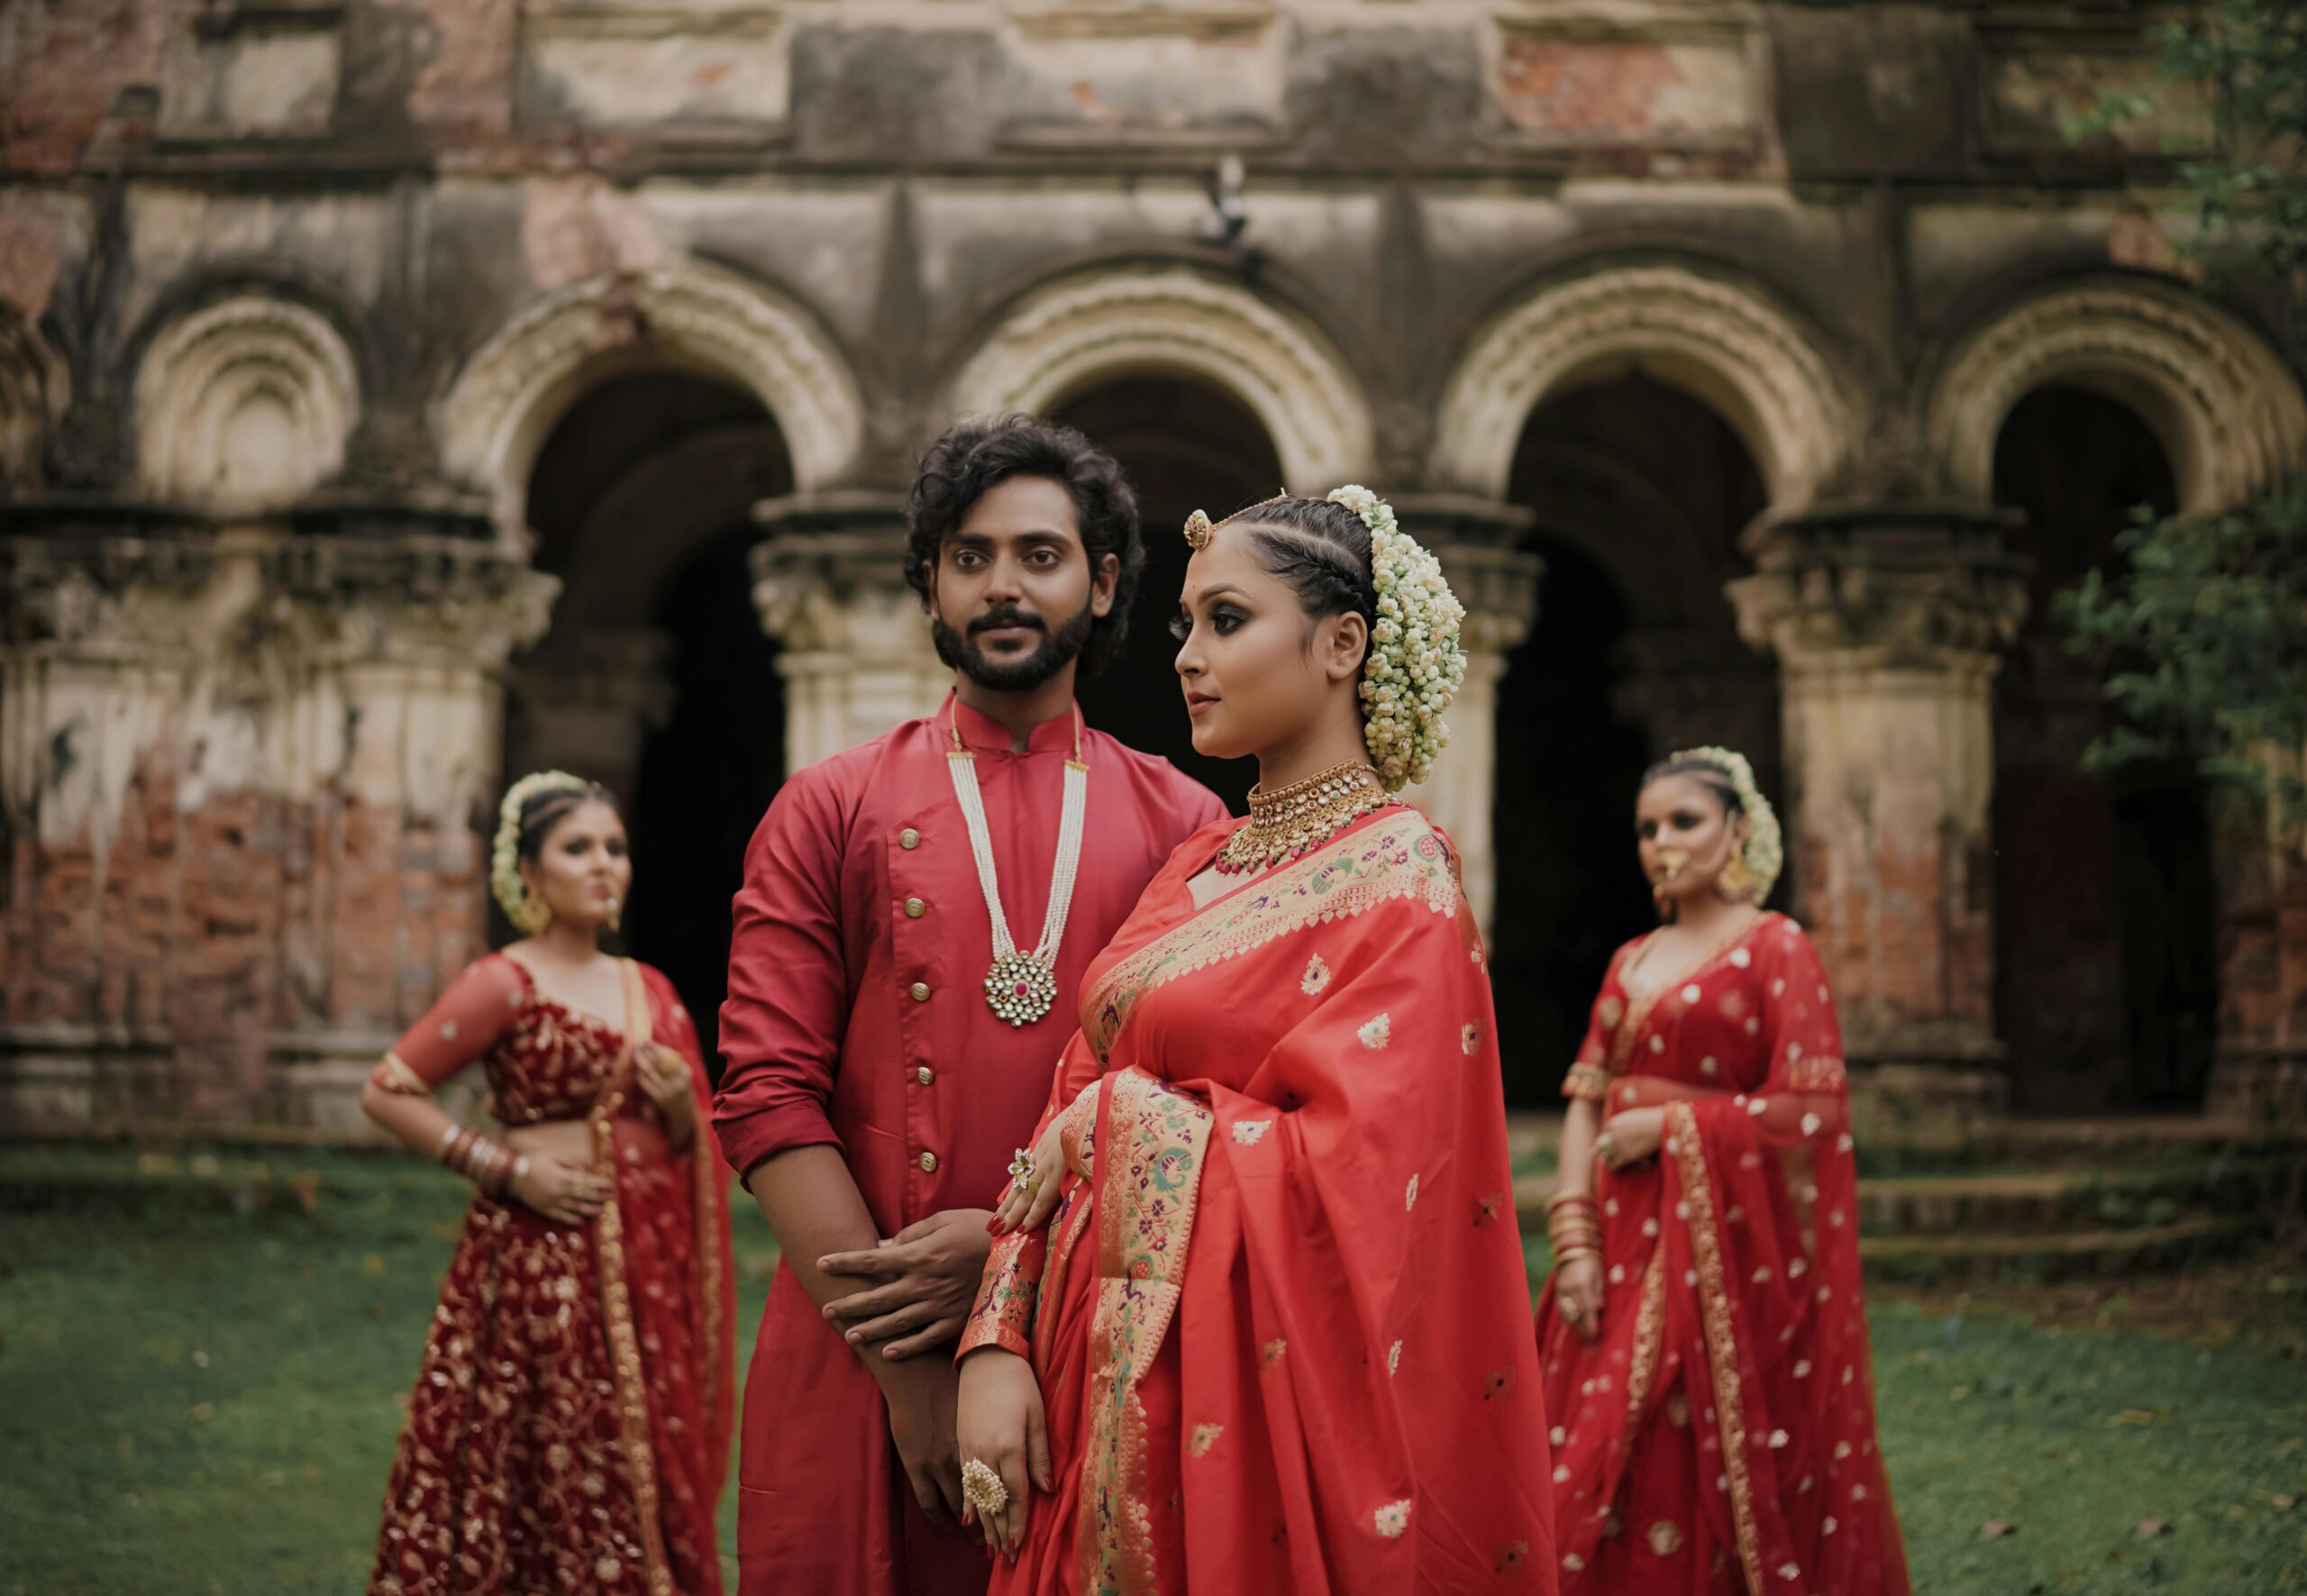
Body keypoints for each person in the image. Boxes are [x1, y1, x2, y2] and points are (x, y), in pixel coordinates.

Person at [954, 488, 1557, 1593]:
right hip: (1088, 1365)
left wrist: (1111, 1124)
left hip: (1247, 1406)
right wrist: (995, 1341)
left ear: (1340, 644)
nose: (1188, 655)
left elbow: (1363, 1189)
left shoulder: (1400, 879)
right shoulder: (1197, 866)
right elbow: (1063, 1107)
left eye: (1225, 620)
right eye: (1185, 624)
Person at [713, 417, 1229, 1596]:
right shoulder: (827, 805)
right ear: (930, 584)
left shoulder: (1189, 828)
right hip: (861, 1345)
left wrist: (1014, 1261)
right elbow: (765, 1094)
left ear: (1103, 584)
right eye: (970, 555)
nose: (1002, 583)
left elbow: (1209, 1110)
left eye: (1040, 554)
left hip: (1097, 1330)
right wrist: (910, 1375)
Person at [1535, 749, 1910, 1595]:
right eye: (1647, 827)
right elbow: (1585, 1105)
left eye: (1685, 821)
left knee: (1695, 1444)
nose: (1663, 842)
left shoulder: (1777, 948)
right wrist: (1575, 1239)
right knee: (1590, 1443)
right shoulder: (1631, 958)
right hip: (1620, 1240)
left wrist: (1672, 1124)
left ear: (1738, 828)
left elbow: (1813, 1109)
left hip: (1726, 1255)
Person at [364, 772, 735, 1596]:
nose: (604, 865)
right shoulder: (505, 980)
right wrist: (507, 1170)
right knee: (543, 1454)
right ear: (527, 873)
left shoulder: (652, 988)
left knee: (640, 1452)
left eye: (614, 847)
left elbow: (691, 1141)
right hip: (540, 1264)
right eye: (578, 848)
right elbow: (389, 1089)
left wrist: (680, 1107)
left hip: (643, 1267)